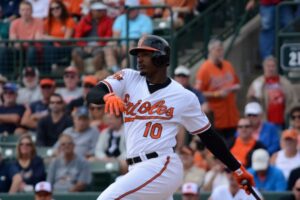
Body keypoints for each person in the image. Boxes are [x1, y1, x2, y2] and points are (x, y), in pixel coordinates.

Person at [87, 34, 254, 200]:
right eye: (138, 55)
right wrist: (106, 96)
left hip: (160, 164)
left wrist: (237, 169)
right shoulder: (129, 77)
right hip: (136, 169)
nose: (139, 59)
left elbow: (209, 137)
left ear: (161, 58)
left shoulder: (182, 96)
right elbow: (94, 92)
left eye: (145, 54)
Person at [195, 38, 240, 147]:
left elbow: (236, 82)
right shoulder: (204, 69)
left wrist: (235, 87)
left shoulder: (228, 65)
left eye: (221, 49)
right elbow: (197, 92)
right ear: (211, 50)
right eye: (218, 50)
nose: (221, 52)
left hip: (231, 115)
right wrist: (216, 94)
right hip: (216, 117)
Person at [247, 56, 297, 128]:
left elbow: (293, 101)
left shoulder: (285, 82)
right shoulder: (257, 83)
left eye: (273, 66)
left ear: (276, 67)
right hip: (264, 122)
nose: (271, 69)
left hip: (282, 122)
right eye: (268, 66)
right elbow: (250, 102)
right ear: (264, 67)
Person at [72, 1, 117, 73]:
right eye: (98, 10)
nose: (101, 12)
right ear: (92, 11)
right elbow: (77, 36)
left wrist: (97, 45)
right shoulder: (84, 20)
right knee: (75, 53)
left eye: (102, 10)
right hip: (84, 46)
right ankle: (82, 75)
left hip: (99, 46)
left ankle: (97, 76)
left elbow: (108, 36)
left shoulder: (108, 20)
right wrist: (84, 46)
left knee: (99, 55)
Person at [112, 0, 153, 68]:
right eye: (127, 8)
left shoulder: (145, 19)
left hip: (136, 46)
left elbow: (144, 39)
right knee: (108, 48)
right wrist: (115, 45)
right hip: (121, 46)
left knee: (130, 51)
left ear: (137, 9)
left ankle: (123, 73)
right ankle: (114, 71)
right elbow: (115, 36)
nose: (129, 11)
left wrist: (130, 45)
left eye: (132, 9)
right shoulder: (120, 19)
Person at [43, 0, 76, 72]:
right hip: (52, 48)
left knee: (49, 45)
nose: (55, 10)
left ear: (62, 8)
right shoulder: (47, 22)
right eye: (52, 9)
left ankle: (51, 67)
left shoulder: (69, 21)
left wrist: (51, 38)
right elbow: (43, 37)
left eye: (57, 8)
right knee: (47, 45)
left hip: (65, 48)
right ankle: (51, 66)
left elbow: (66, 41)